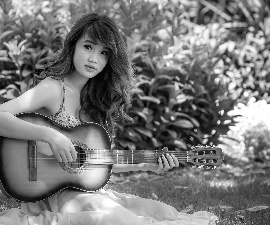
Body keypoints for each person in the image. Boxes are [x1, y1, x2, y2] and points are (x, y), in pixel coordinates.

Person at [0, 13, 218, 225]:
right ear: (73, 45)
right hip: (52, 194)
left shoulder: (94, 101)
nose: (94, 59)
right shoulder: (54, 88)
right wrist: (50, 136)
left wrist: (148, 164)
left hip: (82, 192)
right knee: (117, 219)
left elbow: (97, 160)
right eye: (88, 47)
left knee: (162, 212)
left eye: (104, 52)